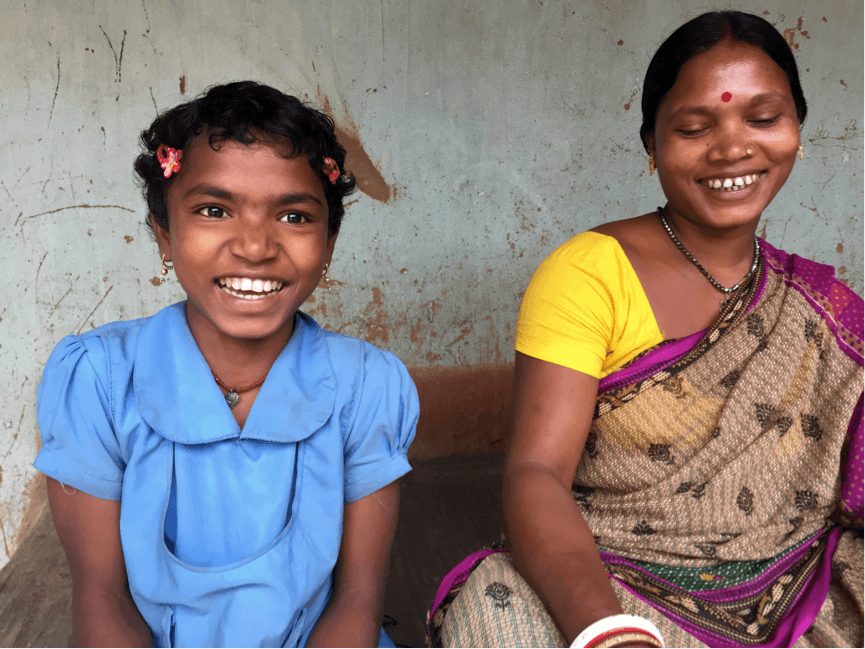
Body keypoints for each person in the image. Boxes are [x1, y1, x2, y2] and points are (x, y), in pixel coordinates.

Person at [429, 11, 862, 649]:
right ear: (652, 144)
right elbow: (536, 473)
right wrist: (608, 631)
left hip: (796, 587)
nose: (732, 148)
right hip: (619, 582)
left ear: (798, 132)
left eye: (763, 119)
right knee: (494, 604)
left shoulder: (820, 305)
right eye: (694, 127)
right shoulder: (588, 272)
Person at [34, 81, 419, 648]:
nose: (256, 246)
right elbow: (102, 598)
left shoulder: (368, 386)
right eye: (214, 210)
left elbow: (357, 602)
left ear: (330, 242)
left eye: (294, 217)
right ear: (165, 234)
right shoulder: (100, 380)